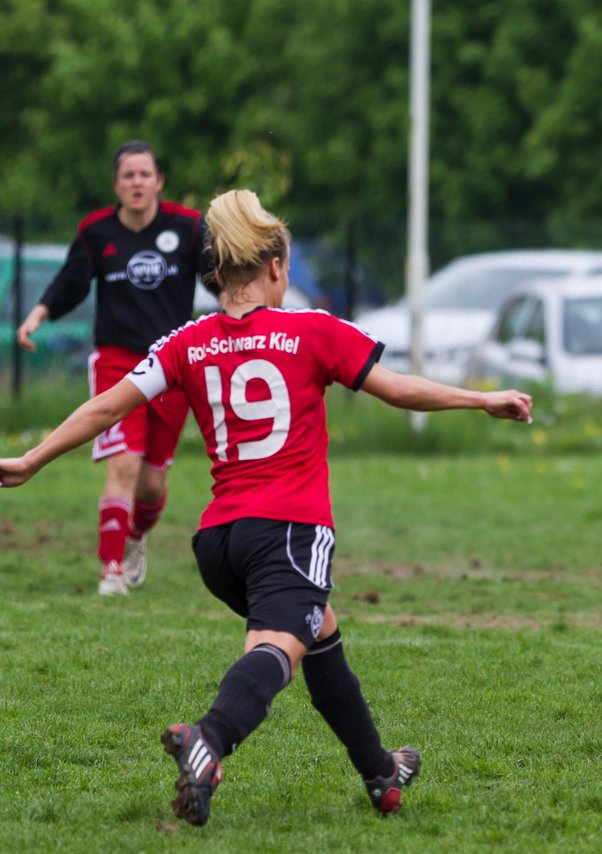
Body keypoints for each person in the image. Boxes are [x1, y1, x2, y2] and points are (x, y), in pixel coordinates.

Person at [0, 189, 534, 825]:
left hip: (219, 545)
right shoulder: (312, 331)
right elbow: (398, 389)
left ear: (217, 274)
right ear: (276, 266)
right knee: (277, 651)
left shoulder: (186, 342)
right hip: (289, 531)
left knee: (321, 632)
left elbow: (107, 405)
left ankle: (380, 772)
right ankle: (209, 740)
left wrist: (32, 459)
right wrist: (482, 400)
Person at [16, 140, 210, 596]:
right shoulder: (96, 232)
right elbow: (71, 283)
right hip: (117, 361)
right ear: (116, 184)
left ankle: (136, 539)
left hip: (173, 362)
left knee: (151, 484)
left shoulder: (188, 227)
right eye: (128, 175)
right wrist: (39, 314)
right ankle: (110, 571)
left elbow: (219, 278)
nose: (137, 183)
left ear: (159, 181)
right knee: (123, 463)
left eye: (145, 174)